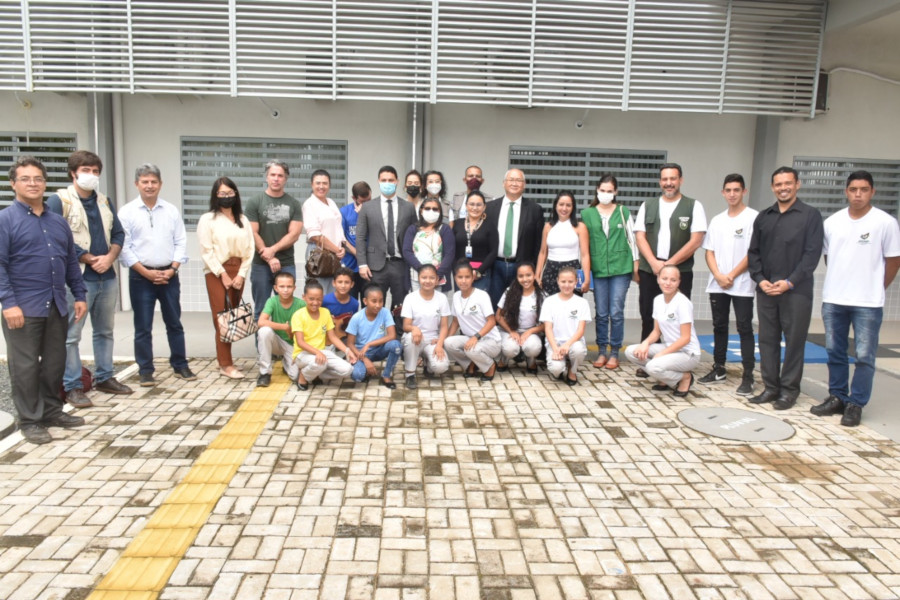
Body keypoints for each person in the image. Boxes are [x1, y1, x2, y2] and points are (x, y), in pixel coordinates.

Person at [0, 156, 87, 445]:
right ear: (13, 183)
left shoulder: (57, 222)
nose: (33, 183)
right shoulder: (5, 220)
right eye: (25, 178)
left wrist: (79, 294)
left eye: (38, 178)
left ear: (45, 183)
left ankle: (52, 410)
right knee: (24, 367)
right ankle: (30, 420)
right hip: (22, 308)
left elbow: (71, 262)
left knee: (54, 363)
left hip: (56, 304)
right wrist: (8, 303)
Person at [811, 171, 900, 427]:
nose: (857, 194)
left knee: (864, 355)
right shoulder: (833, 223)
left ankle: (856, 403)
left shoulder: (885, 223)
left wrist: (876, 287)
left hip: (868, 303)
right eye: (853, 189)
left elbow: (893, 261)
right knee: (834, 351)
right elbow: (829, 258)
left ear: (872, 192)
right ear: (846, 192)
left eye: (863, 189)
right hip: (834, 299)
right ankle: (837, 396)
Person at [46, 150, 132, 408]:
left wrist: (110, 257)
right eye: (86, 170)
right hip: (78, 279)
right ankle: (72, 386)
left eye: (95, 171)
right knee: (72, 335)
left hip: (107, 276)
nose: (91, 176)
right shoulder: (59, 200)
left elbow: (118, 233)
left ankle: (105, 376)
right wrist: (87, 257)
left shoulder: (104, 201)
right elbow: (54, 238)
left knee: (104, 331)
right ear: (73, 173)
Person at [747, 166, 824, 410]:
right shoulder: (764, 217)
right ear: (773, 187)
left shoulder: (810, 215)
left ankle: (789, 391)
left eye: (788, 183)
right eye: (778, 184)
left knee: (794, 341)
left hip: (796, 292)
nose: (783, 188)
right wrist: (760, 280)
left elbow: (812, 255)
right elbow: (753, 253)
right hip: (767, 290)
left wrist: (789, 282)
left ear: (797, 184)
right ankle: (770, 387)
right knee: (767, 340)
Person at [119, 164, 194, 387]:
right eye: (145, 182)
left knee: (174, 322)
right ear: (137, 184)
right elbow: (124, 247)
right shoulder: (127, 212)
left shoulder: (171, 211)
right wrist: (146, 272)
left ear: (160, 184)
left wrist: (172, 269)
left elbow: (181, 241)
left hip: (169, 275)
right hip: (141, 277)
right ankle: (145, 370)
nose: (149, 186)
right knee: (143, 326)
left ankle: (180, 364)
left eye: (153, 182)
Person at [698, 174, 758, 395]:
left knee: (744, 328)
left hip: (742, 283)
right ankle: (719, 368)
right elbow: (709, 251)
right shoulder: (717, 220)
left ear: (744, 191)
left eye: (736, 190)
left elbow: (753, 252)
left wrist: (731, 275)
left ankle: (748, 375)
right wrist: (718, 275)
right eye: (728, 190)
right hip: (718, 284)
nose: (732, 194)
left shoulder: (753, 218)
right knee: (719, 326)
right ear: (723, 192)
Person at [634, 163, 707, 342]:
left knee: (679, 316)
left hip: (680, 271)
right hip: (650, 270)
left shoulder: (693, 206)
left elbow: (696, 240)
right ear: (660, 182)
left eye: (673, 178)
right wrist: (653, 263)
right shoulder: (648, 205)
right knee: (648, 314)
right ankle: (648, 356)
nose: (669, 183)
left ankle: (678, 357)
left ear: (680, 180)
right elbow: (640, 237)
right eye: (665, 179)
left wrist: (668, 266)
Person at [197, 177, 255, 379]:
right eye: (222, 193)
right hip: (216, 272)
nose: (226, 197)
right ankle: (225, 364)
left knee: (233, 316)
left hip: (238, 271)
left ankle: (224, 358)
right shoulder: (207, 219)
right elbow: (206, 250)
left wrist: (241, 274)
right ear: (215, 195)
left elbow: (250, 250)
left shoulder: (243, 220)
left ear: (236, 195)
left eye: (230, 193)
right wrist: (222, 274)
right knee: (221, 318)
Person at [581, 175, 638, 370]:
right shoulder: (587, 213)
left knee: (616, 311)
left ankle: (614, 352)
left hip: (621, 267)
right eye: (602, 190)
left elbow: (632, 239)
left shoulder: (623, 211)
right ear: (597, 190)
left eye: (609, 191)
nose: (606, 194)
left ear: (616, 192)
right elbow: (584, 244)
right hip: (598, 268)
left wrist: (636, 264)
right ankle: (601, 351)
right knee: (602, 313)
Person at [624, 265, 701, 396]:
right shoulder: (658, 300)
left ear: (679, 282)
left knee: (652, 366)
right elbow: (656, 332)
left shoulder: (682, 303)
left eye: (673, 280)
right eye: (664, 278)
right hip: (670, 347)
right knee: (631, 351)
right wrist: (645, 344)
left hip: (688, 353)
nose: (668, 283)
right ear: (658, 279)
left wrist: (662, 354)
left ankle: (684, 378)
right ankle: (664, 376)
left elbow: (685, 338)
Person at [245, 160, 303, 320]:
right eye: (273, 175)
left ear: (286, 179)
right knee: (261, 310)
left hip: (286, 264)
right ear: (266, 177)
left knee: (286, 310)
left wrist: (272, 250)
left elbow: (294, 234)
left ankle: (284, 345)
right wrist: (269, 256)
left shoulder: (294, 204)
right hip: (260, 265)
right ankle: (262, 346)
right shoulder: (254, 202)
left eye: (280, 175)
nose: (276, 178)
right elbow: (252, 232)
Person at [356, 165, 417, 312]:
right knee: (374, 306)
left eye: (391, 180)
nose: (387, 183)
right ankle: (374, 334)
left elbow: (415, 234)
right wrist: (362, 264)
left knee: (401, 306)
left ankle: (398, 333)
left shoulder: (408, 207)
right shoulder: (368, 207)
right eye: (384, 180)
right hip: (375, 267)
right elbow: (360, 236)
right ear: (378, 181)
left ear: (397, 181)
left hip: (400, 263)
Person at [486, 169, 546, 306]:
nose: (514, 183)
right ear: (504, 183)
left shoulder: (534, 209)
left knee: (518, 307)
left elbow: (538, 245)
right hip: (496, 265)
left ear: (524, 184)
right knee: (494, 305)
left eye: (518, 180)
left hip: (522, 267)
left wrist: (535, 270)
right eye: (511, 179)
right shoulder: (490, 208)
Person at [290, 279, 357, 391]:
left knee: (348, 369)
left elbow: (333, 337)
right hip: (302, 354)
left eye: (319, 299)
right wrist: (317, 352)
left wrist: (347, 351)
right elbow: (300, 342)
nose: (315, 303)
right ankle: (303, 376)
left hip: (321, 352)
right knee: (321, 363)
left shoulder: (325, 312)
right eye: (311, 299)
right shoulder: (298, 315)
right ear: (304, 297)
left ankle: (315, 374)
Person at [445, 261, 502, 381]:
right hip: (471, 339)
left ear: (473, 277)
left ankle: (490, 366)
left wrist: (476, 337)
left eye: (467, 277)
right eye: (460, 277)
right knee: (448, 343)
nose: (463, 281)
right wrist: (443, 342)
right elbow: (455, 322)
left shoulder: (482, 295)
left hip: (491, 341)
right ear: (455, 278)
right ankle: (471, 364)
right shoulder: (455, 296)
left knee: (471, 349)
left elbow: (491, 321)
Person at [400, 264, 451, 390]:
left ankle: (428, 365)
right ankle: (410, 373)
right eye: (424, 277)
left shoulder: (442, 298)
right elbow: (406, 325)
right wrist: (414, 329)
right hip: (416, 338)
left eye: (432, 278)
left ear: (437, 280)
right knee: (410, 338)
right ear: (418, 278)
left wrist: (439, 343)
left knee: (441, 366)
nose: (428, 281)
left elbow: (444, 326)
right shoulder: (410, 298)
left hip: (433, 340)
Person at [540, 266, 592, 386]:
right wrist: (555, 348)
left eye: (570, 281)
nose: (567, 285)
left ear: (576, 282)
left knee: (578, 350)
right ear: (558, 281)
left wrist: (568, 344)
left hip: (573, 343)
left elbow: (580, 330)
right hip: (555, 343)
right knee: (556, 369)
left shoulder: (582, 303)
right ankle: (561, 366)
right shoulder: (549, 301)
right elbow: (548, 328)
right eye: (563, 281)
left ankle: (572, 370)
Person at [346, 285, 403, 389]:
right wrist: (364, 359)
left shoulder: (385, 312)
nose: (378, 305)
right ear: (365, 301)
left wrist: (369, 344)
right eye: (374, 301)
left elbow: (392, 335)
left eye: (381, 301)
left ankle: (386, 375)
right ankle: (366, 370)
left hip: (379, 349)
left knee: (396, 345)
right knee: (358, 377)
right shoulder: (357, 318)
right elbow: (350, 343)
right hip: (361, 352)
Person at [536, 190, 590, 296]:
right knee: (551, 305)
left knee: (572, 307)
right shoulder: (548, 227)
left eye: (568, 205)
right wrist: (537, 275)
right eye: (561, 204)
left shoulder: (580, 227)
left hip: (572, 269)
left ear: (573, 207)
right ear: (556, 206)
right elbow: (543, 253)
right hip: (551, 270)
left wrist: (587, 279)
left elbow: (585, 255)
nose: (564, 208)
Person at [256, 271, 306, 387]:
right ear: (275, 288)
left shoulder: (301, 304)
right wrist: (284, 327)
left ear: (294, 287)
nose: (285, 290)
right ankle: (265, 373)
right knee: (264, 331)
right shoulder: (272, 301)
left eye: (289, 286)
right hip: (277, 342)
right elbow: (261, 322)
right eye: (282, 286)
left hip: (293, 344)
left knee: (296, 376)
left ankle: (286, 364)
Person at [302, 168, 345, 296]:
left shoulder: (331, 202)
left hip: (335, 255)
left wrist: (342, 247)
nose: (321, 186)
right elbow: (315, 235)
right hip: (319, 254)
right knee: (318, 295)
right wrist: (337, 250)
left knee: (333, 294)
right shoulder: (309, 204)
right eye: (318, 183)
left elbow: (338, 227)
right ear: (312, 184)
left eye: (325, 183)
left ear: (329, 185)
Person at [496, 262, 544, 374]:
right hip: (510, 330)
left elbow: (547, 323)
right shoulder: (509, 292)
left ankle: (531, 360)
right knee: (510, 349)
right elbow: (498, 316)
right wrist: (511, 331)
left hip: (531, 332)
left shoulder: (541, 295)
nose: (525, 279)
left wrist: (530, 331)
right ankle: (505, 359)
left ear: (534, 275)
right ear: (517, 277)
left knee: (533, 348)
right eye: (521, 276)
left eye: (528, 275)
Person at [402, 197, 455, 292]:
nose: (431, 211)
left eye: (435, 209)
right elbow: (406, 251)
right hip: (416, 277)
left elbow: (449, 254)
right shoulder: (413, 229)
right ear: (421, 210)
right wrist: (421, 270)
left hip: (438, 279)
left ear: (440, 212)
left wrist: (437, 275)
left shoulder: (445, 229)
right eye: (427, 208)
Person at [451, 191, 498, 292]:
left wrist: (479, 271)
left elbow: (493, 252)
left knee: (478, 306)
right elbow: (451, 250)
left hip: (481, 274)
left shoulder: (490, 225)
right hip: (461, 274)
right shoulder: (457, 223)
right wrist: (457, 270)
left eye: (478, 205)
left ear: (484, 207)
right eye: (471, 204)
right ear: (466, 205)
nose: (475, 208)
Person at [339, 181, 371, 300]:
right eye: (363, 201)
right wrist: (357, 253)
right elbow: (341, 239)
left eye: (369, 199)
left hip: (369, 266)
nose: (367, 204)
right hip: (350, 266)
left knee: (367, 302)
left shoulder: (374, 212)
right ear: (354, 198)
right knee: (349, 302)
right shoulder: (344, 212)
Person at [322, 267, 359, 341]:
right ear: (334, 283)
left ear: (352, 284)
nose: (343, 286)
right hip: (325, 336)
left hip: (343, 336)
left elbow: (351, 325)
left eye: (347, 282)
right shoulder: (325, 300)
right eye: (340, 282)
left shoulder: (355, 303)